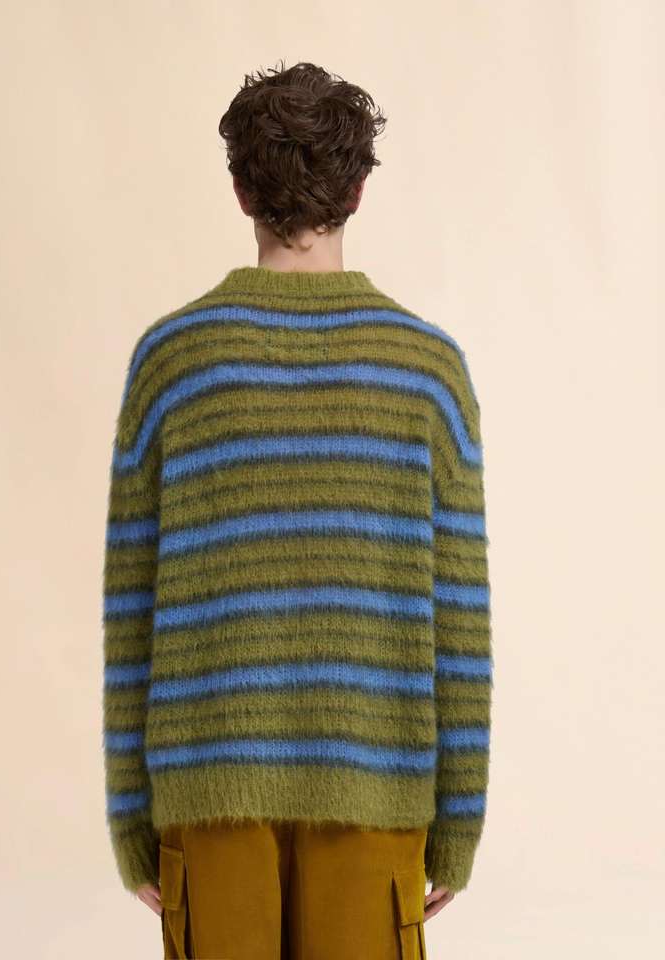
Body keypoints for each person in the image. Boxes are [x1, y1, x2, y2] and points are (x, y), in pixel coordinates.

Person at [101, 59, 493, 959]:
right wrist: (459, 820)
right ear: (358, 191)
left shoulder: (172, 363)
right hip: (378, 789)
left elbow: (131, 608)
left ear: (240, 189)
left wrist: (131, 814)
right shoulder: (428, 373)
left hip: (205, 792)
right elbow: (460, 617)